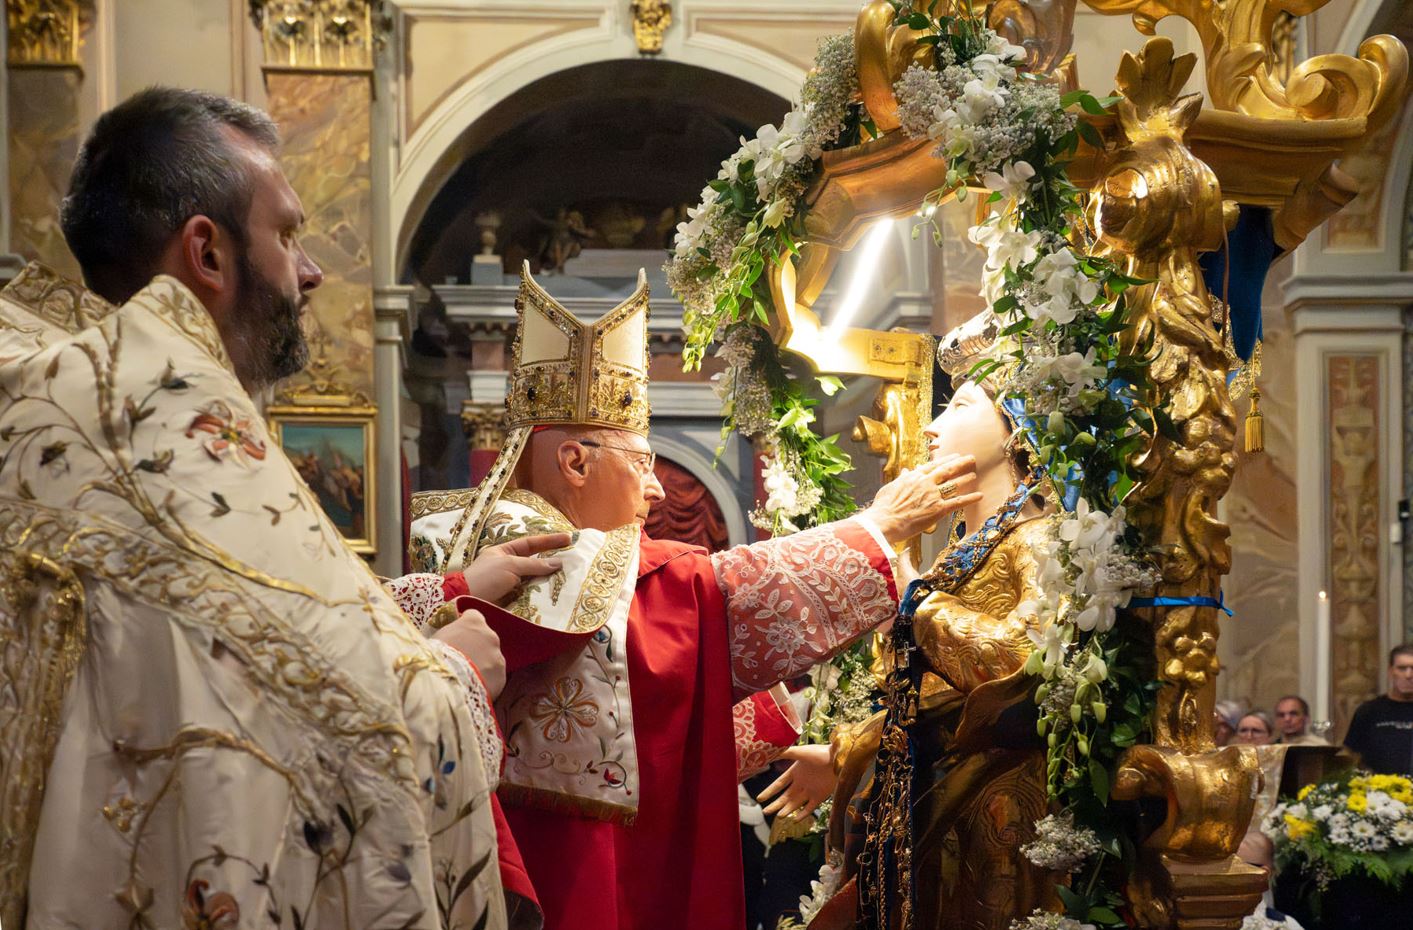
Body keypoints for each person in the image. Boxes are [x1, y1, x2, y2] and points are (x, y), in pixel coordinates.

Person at [0, 86, 542, 930]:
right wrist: (456, 679)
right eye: (287, 235)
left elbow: (211, 634)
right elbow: (322, 718)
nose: (313, 270)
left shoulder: (43, 382)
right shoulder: (163, 407)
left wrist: (447, 590)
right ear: (207, 254)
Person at [401, 264, 981, 930]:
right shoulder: (533, 551)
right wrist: (877, 529)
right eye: (641, 461)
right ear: (575, 462)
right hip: (569, 875)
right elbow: (702, 601)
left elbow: (643, 711)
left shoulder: (476, 545)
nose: (655, 488)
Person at [1343, 644, 1413, 775]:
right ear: (1391, 671)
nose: (1408, 675)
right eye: (1402, 668)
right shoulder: (1369, 711)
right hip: (1377, 786)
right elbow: (1351, 755)